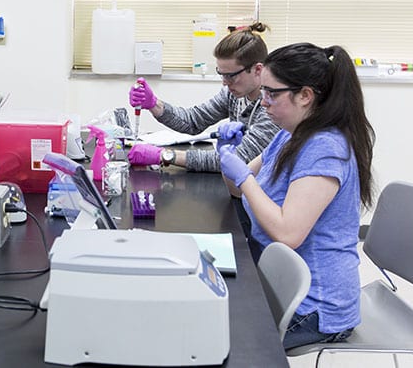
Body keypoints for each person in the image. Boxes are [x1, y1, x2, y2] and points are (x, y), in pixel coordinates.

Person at [216, 43, 375, 349]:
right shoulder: (289, 133)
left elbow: (287, 233)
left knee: (219, 343)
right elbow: (237, 187)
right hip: (281, 281)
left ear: (305, 95)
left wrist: (245, 177)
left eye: (272, 94)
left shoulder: (326, 148)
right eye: (263, 92)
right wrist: (227, 156)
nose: (263, 103)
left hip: (315, 307)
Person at [127, 23, 279, 173]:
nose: (225, 83)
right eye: (221, 74)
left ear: (258, 69)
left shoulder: (272, 108)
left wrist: (165, 155)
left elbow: (238, 160)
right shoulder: (233, 94)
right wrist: (154, 104)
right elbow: (194, 121)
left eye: (230, 76)